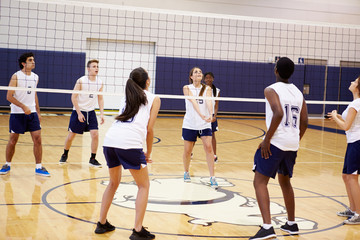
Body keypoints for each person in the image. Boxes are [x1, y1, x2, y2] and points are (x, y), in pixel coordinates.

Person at [95, 67, 160, 240]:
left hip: (110, 141)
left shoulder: (127, 96)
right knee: (143, 185)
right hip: (129, 144)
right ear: (147, 81)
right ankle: (138, 230)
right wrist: (148, 152)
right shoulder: (154, 98)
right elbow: (149, 129)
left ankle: (101, 223)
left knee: (113, 183)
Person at [250, 57, 308, 240]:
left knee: (259, 181)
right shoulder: (299, 93)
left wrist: (267, 139)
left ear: (276, 70)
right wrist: (295, 139)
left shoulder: (270, 89)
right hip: (292, 144)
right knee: (285, 182)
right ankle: (291, 224)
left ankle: (267, 227)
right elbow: (305, 122)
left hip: (276, 142)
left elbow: (278, 113)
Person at [0, 52, 50, 176]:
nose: (33, 62)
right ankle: (7, 164)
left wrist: (38, 112)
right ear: (23, 63)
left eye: (33, 60)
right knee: (13, 140)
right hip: (17, 113)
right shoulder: (16, 76)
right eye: (30, 60)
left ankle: (39, 167)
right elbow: (9, 96)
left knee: (37, 139)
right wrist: (23, 107)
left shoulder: (35, 77)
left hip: (32, 113)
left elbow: (34, 94)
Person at [59, 59, 104, 167]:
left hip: (91, 112)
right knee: (71, 136)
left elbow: (100, 98)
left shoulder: (100, 82)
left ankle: (92, 158)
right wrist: (79, 113)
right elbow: (73, 97)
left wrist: (101, 114)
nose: (96, 68)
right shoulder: (81, 81)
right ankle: (65, 154)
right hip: (79, 111)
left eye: (97, 66)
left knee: (95, 134)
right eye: (94, 66)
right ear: (88, 69)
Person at [327, 76, 360, 225]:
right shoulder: (354, 103)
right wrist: (338, 117)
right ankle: (353, 209)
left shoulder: (356, 104)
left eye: (354, 81)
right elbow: (350, 121)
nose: (351, 82)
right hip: (352, 142)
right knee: (346, 176)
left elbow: (346, 126)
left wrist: (335, 116)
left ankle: (358, 213)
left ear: (358, 87)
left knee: (352, 177)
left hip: (357, 143)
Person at [182, 67, 218, 189]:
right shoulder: (187, 88)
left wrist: (211, 113)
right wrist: (201, 114)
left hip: (204, 123)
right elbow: (193, 101)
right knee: (187, 151)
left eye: (200, 72)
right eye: (195, 72)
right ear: (191, 76)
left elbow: (209, 102)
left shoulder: (207, 88)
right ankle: (186, 172)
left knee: (208, 148)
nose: (198, 73)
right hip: (190, 123)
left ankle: (212, 177)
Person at [204, 72, 220, 162]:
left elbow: (216, 105)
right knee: (196, 134)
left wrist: (215, 116)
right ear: (204, 79)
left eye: (210, 78)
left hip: (211, 115)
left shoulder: (217, 91)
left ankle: (214, 155)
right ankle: (190, 152)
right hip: (203, 115)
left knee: (212, 135)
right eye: (206, 78)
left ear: (213, 79)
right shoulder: (201, 89)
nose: (208, 79)